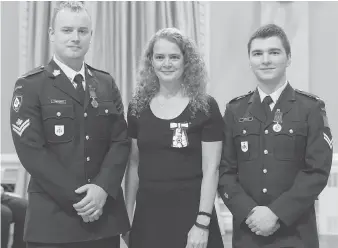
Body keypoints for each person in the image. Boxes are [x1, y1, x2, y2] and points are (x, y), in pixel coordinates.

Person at [10, 2, 130, 248]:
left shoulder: (105, 83)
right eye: (67, 30)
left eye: (82, 31)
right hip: (53, 222)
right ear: (52, 34)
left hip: (103, 218)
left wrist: (101, 189)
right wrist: (82, 201)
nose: (75, 38)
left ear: (90, 36)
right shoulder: (31, 85)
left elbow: (120, 141)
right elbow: (32, 152)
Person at [218, 23, 333, 248]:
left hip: (296, 233)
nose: (265, 60)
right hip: (248, 232)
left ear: (288, 58)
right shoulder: (235, 110)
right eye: (258, 54)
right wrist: (249, 212)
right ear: (250, 60)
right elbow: (225, 171)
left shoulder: (310, 108)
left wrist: (276, 214)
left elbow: (317, 170)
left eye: (274, 52)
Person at [124, 27, 225, 248]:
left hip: (192, 218)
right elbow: (133, 165)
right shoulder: (137, 107)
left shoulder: (206, 107)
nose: (166, 64)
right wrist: (127, 216)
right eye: (159, 57)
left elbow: (211, 169)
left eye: (174, 57)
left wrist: (202, 222)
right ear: (151, 61)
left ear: (186, 61)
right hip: (147, 219)